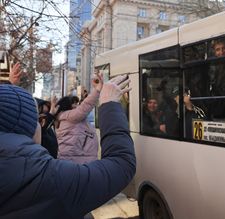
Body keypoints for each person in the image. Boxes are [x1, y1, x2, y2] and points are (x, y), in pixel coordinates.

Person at [0, 75, 135, 218]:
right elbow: (122, 165)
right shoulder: (46, 178)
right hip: (77, 161)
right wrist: (108, 102)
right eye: (38, 120)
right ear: (26, 127)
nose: (42, 124)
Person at [55, 76, 102, 164]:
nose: (77, 106)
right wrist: (97, 90)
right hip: (79, 161)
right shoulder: (70, 116)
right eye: (74, 104)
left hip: (74, 159)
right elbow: (85, 106)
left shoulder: (64, 117)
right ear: (67, 106)